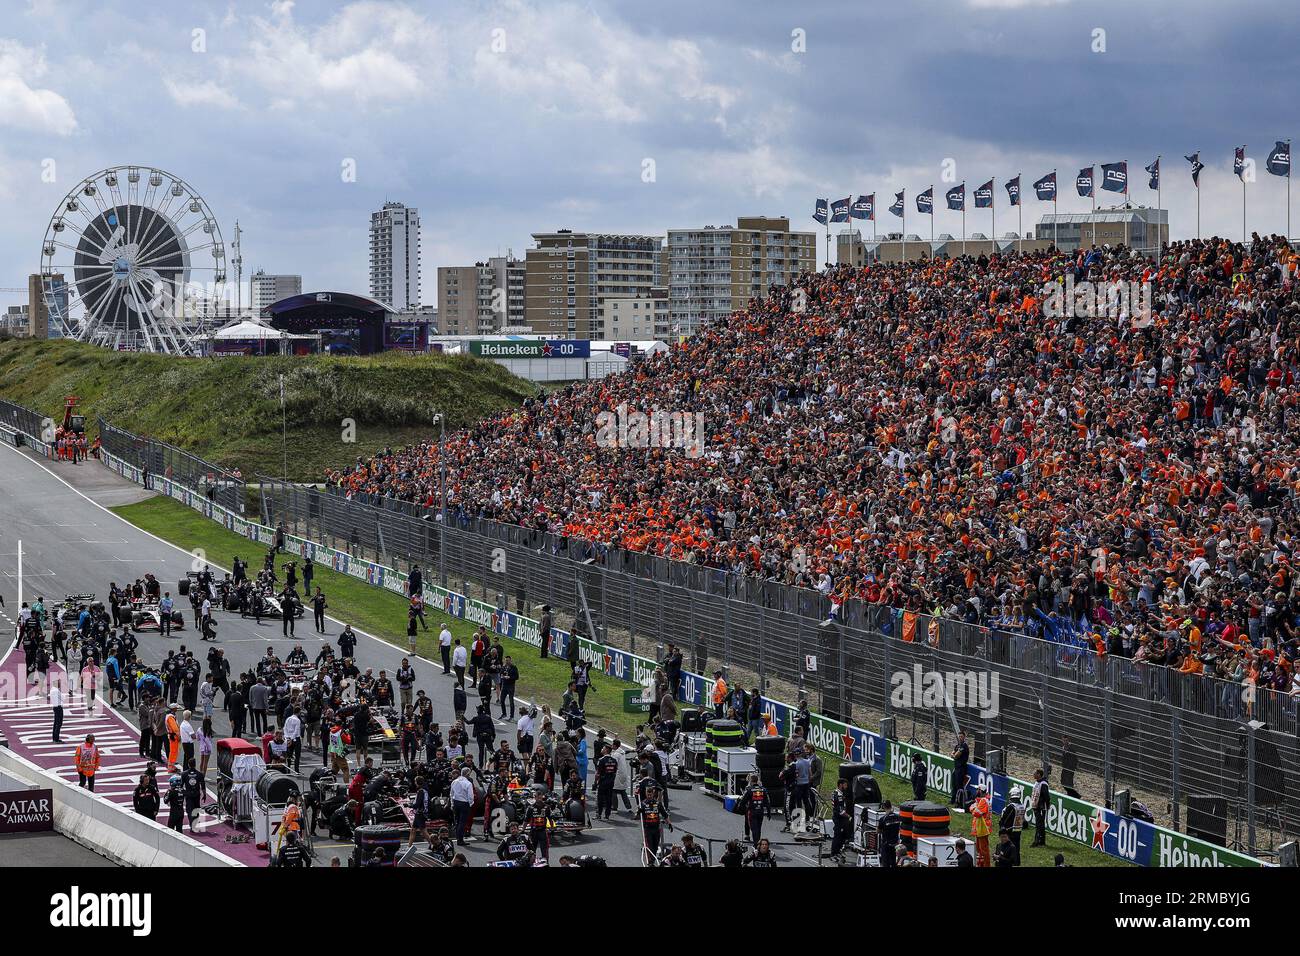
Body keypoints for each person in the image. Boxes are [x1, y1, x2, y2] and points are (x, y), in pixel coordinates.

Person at [737, 773, 770, 846]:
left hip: (752, 812)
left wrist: (740, 809)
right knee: (758, 829)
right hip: (760, 812)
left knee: (754, 829)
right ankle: (758, 843)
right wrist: (769, 813)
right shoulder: (763, 789)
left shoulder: (749, 790)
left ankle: (756, 845)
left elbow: (742, 801)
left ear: (751, 781)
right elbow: (767, 802)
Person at [450, 767, 475, 847]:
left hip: (456, 802)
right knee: (462, 822)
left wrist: (452, 803)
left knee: (457, 821)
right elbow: (471, 796)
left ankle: (458, 837)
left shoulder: (454, 781)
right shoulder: (468, 783)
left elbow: (451, 793)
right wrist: (470, 804)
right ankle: (460, 839)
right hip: (464, 803)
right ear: (467, 774)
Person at [969, 783, 993, 867]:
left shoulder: (983, 801)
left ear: (981, 791)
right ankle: (981, 864)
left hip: (983, 829)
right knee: (980, 850)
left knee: (983, 850)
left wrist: (973, 807)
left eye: (977, 789)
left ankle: (986, 865)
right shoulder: (983, 800)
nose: (976, 791)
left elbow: (976, 813)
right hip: (981, 828)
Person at [829, 777, 852, 862]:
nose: (846, 786)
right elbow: (840, 811)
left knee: (841, 836)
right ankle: (833, 854)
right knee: (837, 837)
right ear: (840, 785)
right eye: (845, 784)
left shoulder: (836, 792)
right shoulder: (839, 795)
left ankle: (837, 852)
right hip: (839, 818)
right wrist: (849, 816)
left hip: (838, 817)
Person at [877, 800, 901, 868]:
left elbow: (878, 831)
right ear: (891, 806)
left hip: (886, 844)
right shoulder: (898, 816)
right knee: (893, 862)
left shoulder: (883, 819)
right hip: (895, 843)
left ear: (884, 807)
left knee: (886, 863)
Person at [1030, 769, 1051, 847]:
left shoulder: (1043, 784)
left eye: (1035, 773)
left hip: (1041, 807)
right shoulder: (1037, 783)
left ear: (1039, 774)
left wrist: (1046, 806)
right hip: (1037, 806)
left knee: (1039, 824)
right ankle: (1041, 842)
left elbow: (1047, 796)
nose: (1033, 774)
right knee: (1040, 824)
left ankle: (1037, 841)